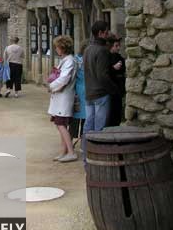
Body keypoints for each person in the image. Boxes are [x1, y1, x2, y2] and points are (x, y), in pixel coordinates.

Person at [83, 21, 120, 160]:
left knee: (88, 127)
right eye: (105, 32)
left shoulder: (88, 49)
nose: (107, 34)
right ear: (100, 33)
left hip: (89, 94)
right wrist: (114, 89)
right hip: (100, 94)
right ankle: (96, 158)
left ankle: (87, 156)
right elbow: (102, 76)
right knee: (99, 129)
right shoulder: (102, 50)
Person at [48, 35, 78, 163]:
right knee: (61, 124)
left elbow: (64, 78)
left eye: (57, 47)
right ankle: (63, 151)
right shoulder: (65, 60)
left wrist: (51, 86)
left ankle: (71, 152)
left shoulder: (69, 61)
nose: (56, 49)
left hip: (64, 97)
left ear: (62, 48)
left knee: (61, 124)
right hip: (60, 97)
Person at [107, 34, 126, 127]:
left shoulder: (119, 57)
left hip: (118, 90)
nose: (118, 48)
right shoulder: (107, 57)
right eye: (116, 46)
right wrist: (113, 68)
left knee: (117, 115)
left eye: (119, 45)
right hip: (110, 91)